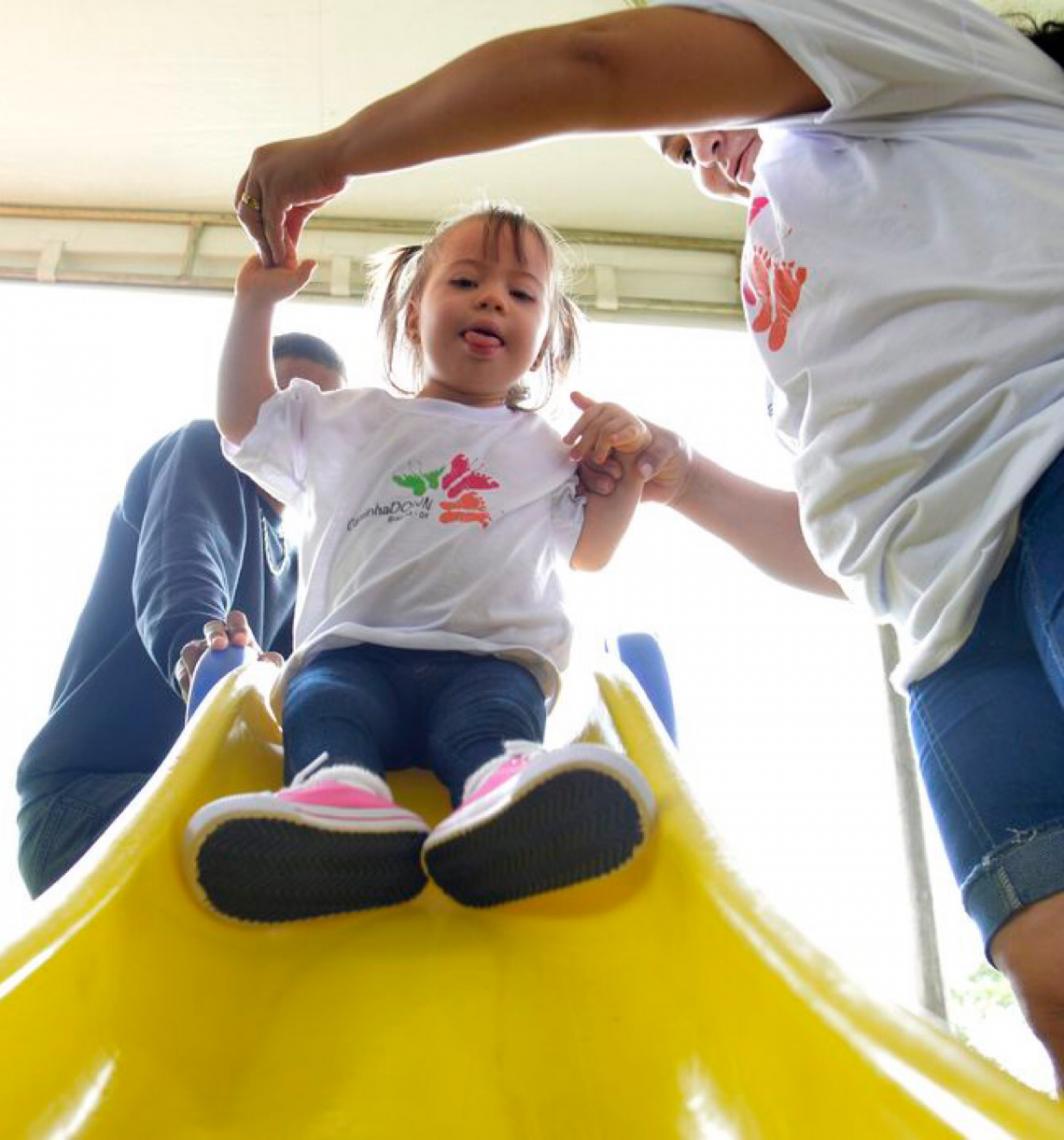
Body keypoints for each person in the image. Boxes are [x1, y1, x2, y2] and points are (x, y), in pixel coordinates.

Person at [226, 0, 1064, 1081]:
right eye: (678, 153)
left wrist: (339, 151)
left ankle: (505, 786)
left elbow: (595, 63)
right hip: (949, 619)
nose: (700, 161)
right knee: (1048, 975)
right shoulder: (790, 263)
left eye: (691, 118)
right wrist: (684, 476)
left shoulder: (901, 44)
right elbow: (851, 551)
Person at [183, 203, 657, 924]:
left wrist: (626, 467)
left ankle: (509, 803)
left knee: (492, 727)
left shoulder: (547, 448)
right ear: (412, 317)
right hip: (352, 655)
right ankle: (335, 808)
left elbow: (592, 549)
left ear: (543, 341)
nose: (492, 300)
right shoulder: (348, 418)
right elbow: (245, 422)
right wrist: (255, 303)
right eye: (466, 282)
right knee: (324, 708)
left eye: (521, 294)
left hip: (489, 663)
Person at [16, 333, 347, 898]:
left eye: (321, 414)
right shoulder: (203, 454)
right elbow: (184, 556)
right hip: (95, 798)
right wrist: (199, 646)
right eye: (281, 400)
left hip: (203, 787)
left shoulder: (302, 568)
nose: (297, 426)